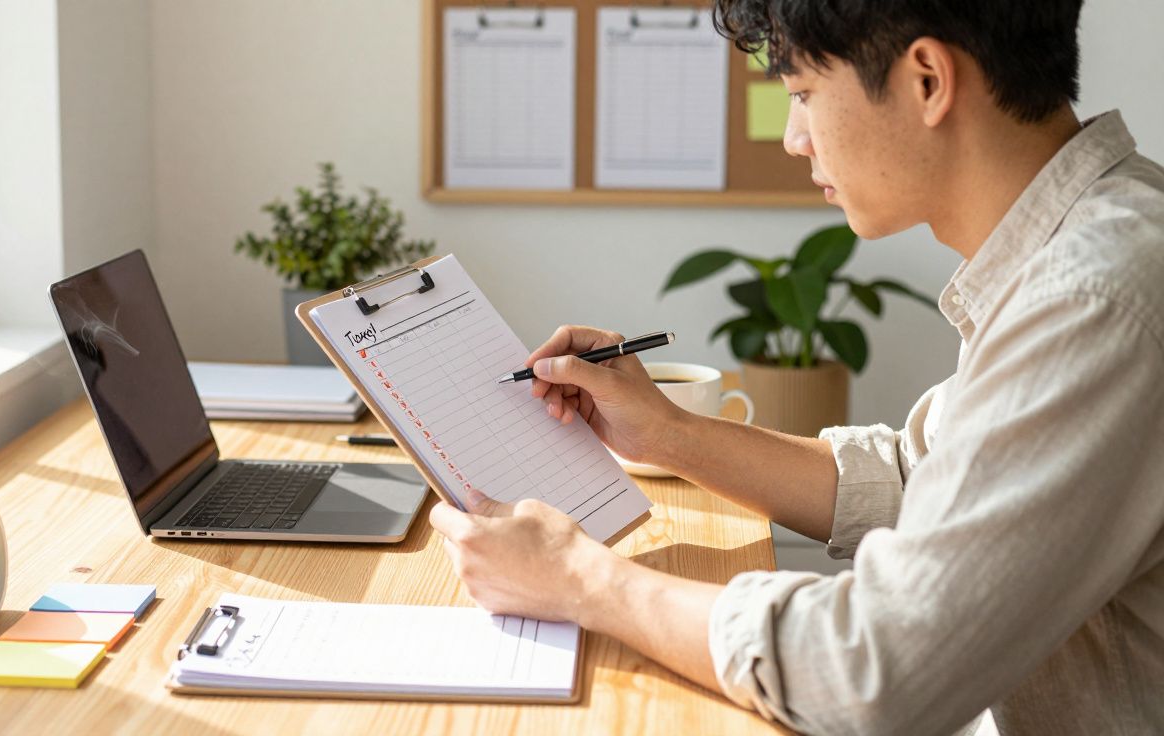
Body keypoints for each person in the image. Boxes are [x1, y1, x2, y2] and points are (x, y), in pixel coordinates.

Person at [429, 1, 1164, 733]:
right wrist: (666, 433)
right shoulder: (1084, 246)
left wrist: (583, 582)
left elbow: (874, 671)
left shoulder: (1094, 297)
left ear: (929, 80)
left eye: (804, 94)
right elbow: (922, 477)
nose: (792, 138)